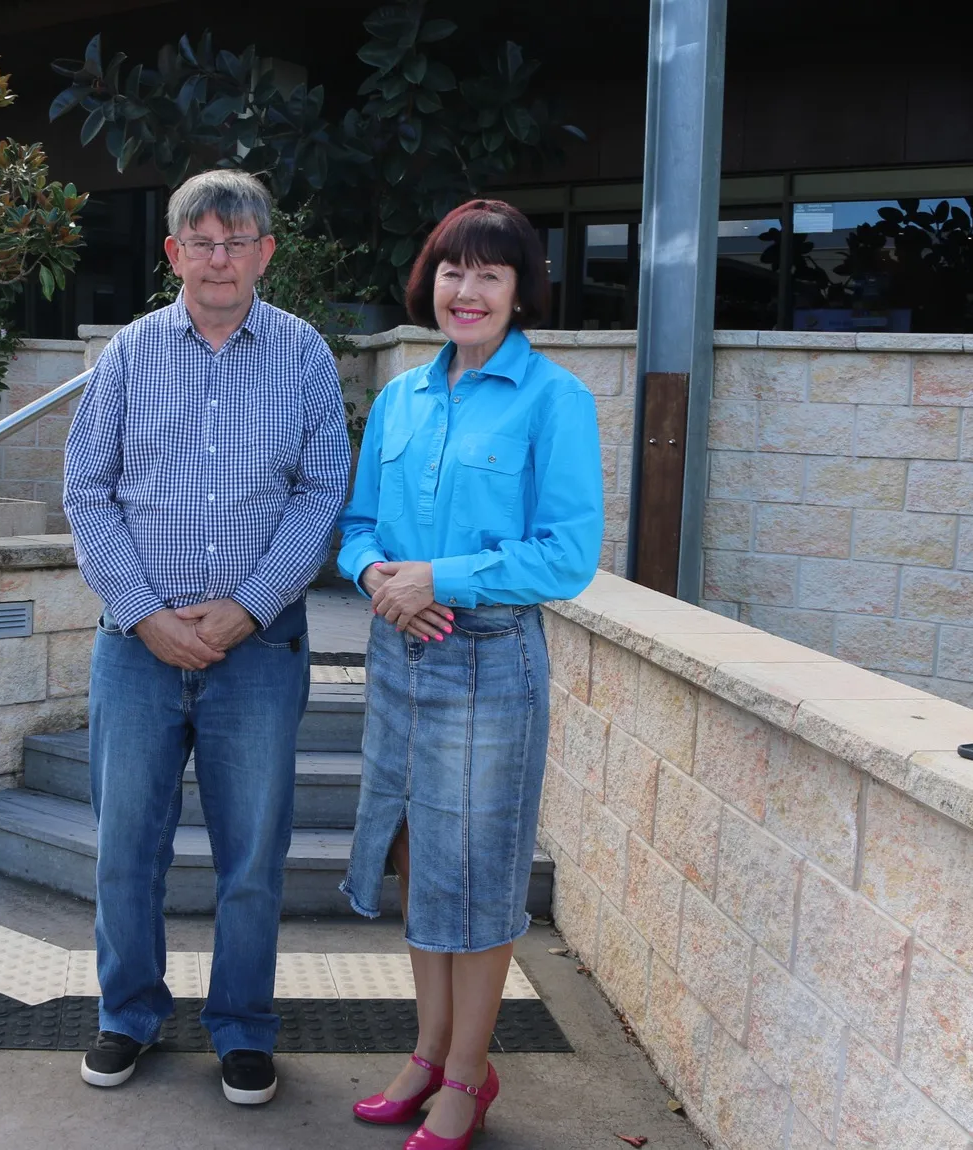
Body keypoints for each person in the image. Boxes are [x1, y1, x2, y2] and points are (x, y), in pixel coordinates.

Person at [63, 169, 352, 1106]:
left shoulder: (305, 355)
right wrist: (145, 612)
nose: (220, 257)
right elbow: (87, 492)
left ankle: (243, 1029)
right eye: (203, 241)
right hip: (135, 644)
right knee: (126, 849)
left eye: (238, 241)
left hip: (258, 649)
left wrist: (251, 605)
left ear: (267, 253)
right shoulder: (127, 355)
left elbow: (320, 493)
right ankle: (127, 1015)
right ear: (173, 253)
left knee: (253, 853)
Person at [337, 200, 602, 1149]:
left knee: (480, 870)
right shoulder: (404, 397)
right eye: (453, 270)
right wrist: (379, 578)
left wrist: (438, 578)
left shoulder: (555, 400)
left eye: (491, 273)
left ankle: (467, 1076)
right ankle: (427, 1050)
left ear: (521, 290)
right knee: (418, 851)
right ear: (431, 280)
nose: (468, 290)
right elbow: (358, 525)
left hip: (490, 658)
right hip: (399, 651)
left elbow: (568, 555)